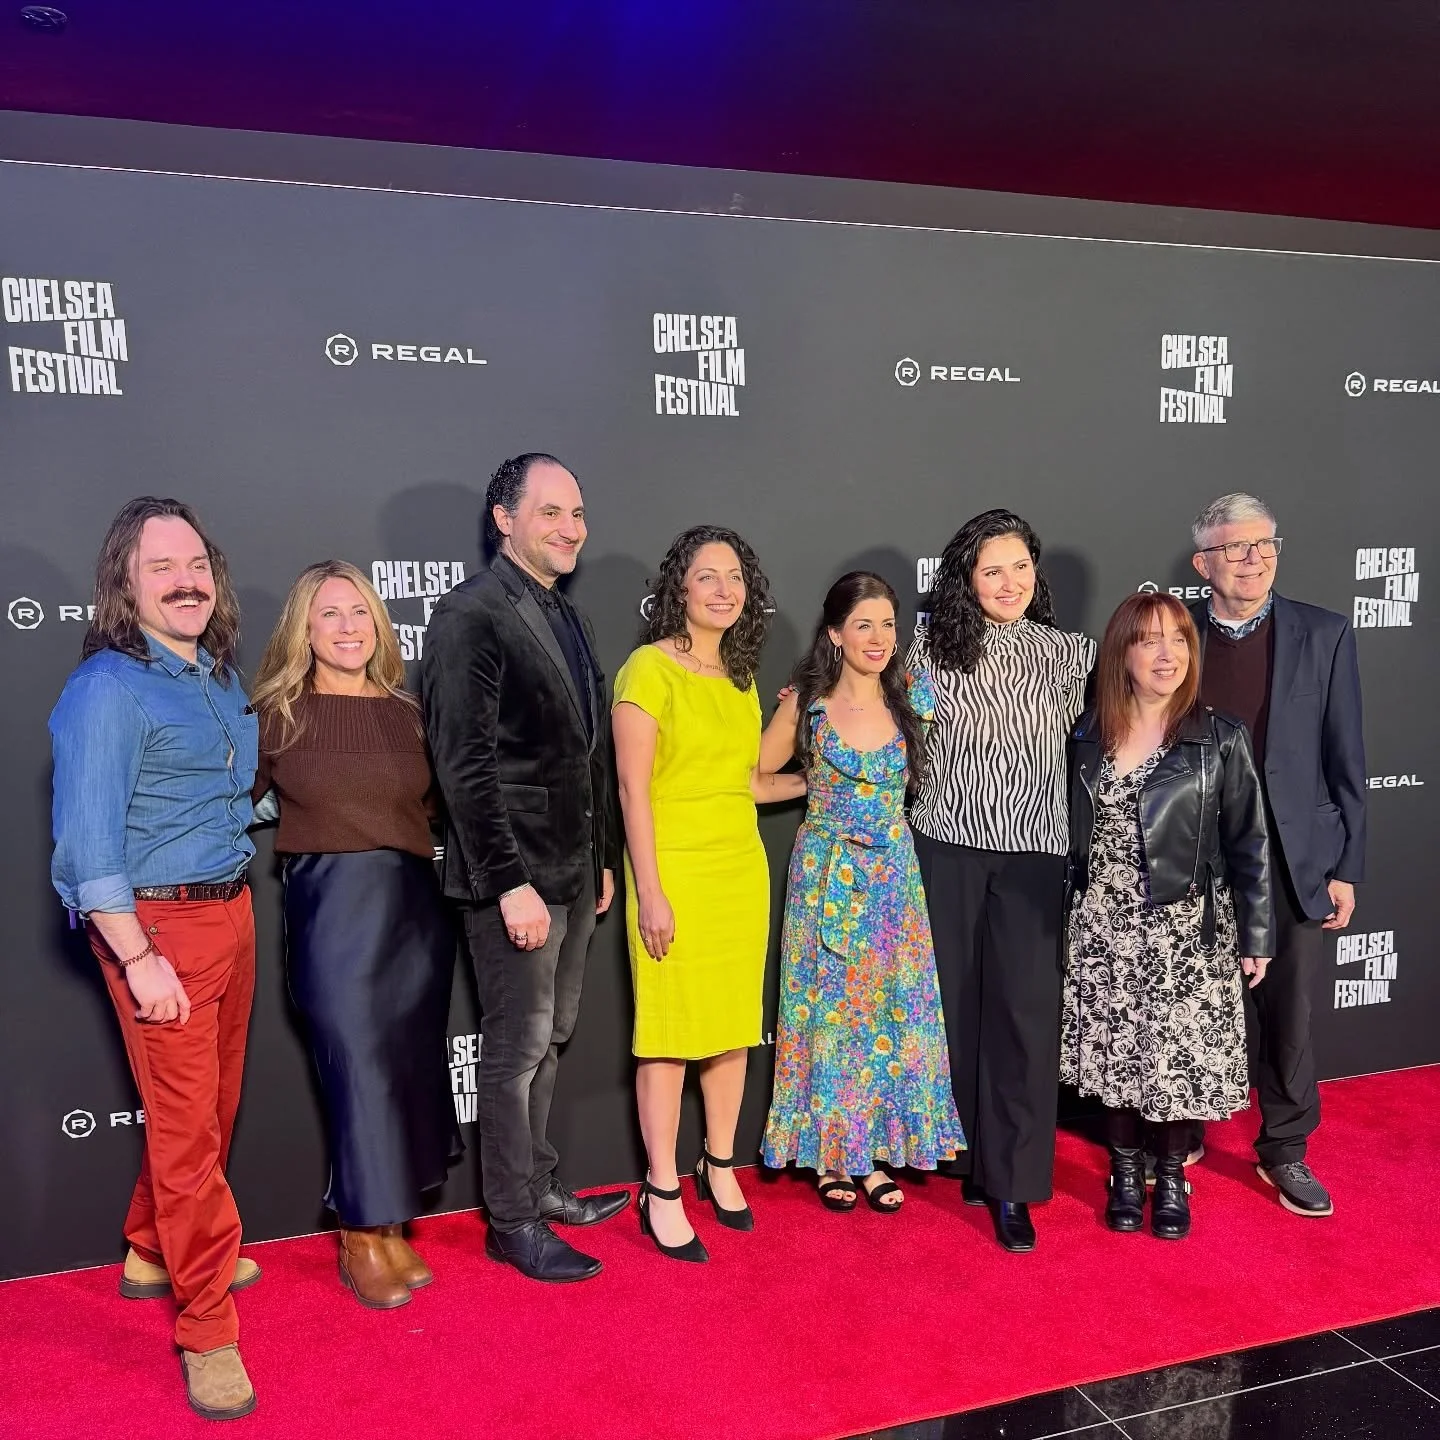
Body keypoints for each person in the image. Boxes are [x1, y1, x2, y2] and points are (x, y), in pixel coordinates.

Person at [49, 497, 260, 1421]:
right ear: (124, 587)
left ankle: (149, 1251)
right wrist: (137, 958)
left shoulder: (215, 677)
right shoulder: (106, 687)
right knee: (187, 1138)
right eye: (159, 567)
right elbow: (89, 845)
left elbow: (220, 799)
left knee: (208, 1114)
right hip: (159, 932)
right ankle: (206, 1329)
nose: (185, 580)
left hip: (233, 915)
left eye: (196, 564)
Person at [421, 453, 628, 1284]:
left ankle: (538, 1185)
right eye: (550, 512)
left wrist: (600, 854)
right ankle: (510, 1221)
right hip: (515, 879)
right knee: (512, 1053)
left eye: (577, 512)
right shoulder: (469, 615)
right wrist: (508, 882)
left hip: (575, 868)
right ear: (504, 518)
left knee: (552, 1037)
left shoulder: (563, 614)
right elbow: (462, 766)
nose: (570, 528)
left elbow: (585, 751)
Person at [250, 561, 460, 1309]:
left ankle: (393, 1221)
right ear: (303, 630)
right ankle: (361, 1235)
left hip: (412, 910)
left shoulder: (410, 712)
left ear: (379, 625)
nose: (348, 628)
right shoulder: (278, 712)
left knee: (404, 1067)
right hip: (332, 911)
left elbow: (435, 806)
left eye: (361, 613)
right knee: (356, 1066)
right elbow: (228, 803)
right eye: (330, 615)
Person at [907, 508, 1095, 1252]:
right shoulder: (922, 647)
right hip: (943, 847)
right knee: (950, 1009)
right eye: (993, 570)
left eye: (1021, 568)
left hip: (1034, 855)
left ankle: (1012, 1184)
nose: (1009, 583)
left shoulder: (1068, 654)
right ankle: (952, 1155)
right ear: (965, 578)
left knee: (1023, 1019)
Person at [613, 526, 800, 1262]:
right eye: (706, 576)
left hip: (738, 873)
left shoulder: (743, 680)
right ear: (679, 589)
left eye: (735, 578)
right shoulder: (647, 670)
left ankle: (718, 1163)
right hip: (674, 874)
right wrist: (650, 892)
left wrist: (827, 782)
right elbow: (633, 789)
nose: (723, 590)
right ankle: (661, 1187)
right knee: (666, 1037)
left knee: (730, 1030)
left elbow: (749, 783)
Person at [1062, 592, 1274, 1240]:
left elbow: (1250, 842)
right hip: (1103, 926)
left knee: (1175, 1061)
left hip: (1186, 932)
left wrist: (1258, 933)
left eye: (1179, 640)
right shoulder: (1086, 733)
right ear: (1122, 651)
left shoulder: (1220, 737)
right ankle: (1126, 1172)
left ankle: (1173, 1175)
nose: (1167, 655)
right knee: (1119, 1057)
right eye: (1150, 640)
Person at [759, 572, 965, 1213]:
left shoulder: (913, 695)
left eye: (888, 624)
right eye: (864, 624)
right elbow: (756, 780)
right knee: (829, 1018)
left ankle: (876, 1156)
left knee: (889, 1017)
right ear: (835, 633)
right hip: (826, 878)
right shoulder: (806, 704)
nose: (878, 638)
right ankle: (831, 1156)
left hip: (894, 883)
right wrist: (816, 783)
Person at [1185, 493, 1366, 1217]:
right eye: (1235, 547)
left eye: (1264, 544)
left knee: (1288, 1012)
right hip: (1197, 855)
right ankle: (1181, 1125)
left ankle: (1285, 1149)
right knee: (1193, 1002)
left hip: (1295, 858)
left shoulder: (1324, 633)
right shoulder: (1175, 635)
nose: (1254, 558)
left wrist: (1347, 865)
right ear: (1204, 563)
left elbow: (1347, 759)